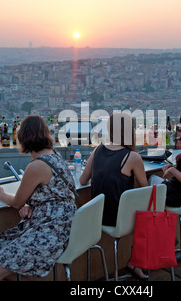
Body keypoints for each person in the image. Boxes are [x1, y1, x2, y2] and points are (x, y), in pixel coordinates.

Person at [0, 115, 77, 281]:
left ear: (25, 138)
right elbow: (52, 195)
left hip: (51, 232)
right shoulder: (55, 157)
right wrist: (33, 206)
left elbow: (16, 203)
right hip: (64, 227)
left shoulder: (37, 166)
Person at [79, 112, 148, 279]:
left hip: (97, 217)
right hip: (117, 220)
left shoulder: (98, 150)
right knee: (150, 217)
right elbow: (146, 189)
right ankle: (135, 263)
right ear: (130, 131)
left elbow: (82, 180)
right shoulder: (132, 157)